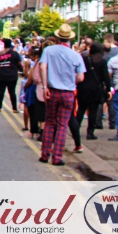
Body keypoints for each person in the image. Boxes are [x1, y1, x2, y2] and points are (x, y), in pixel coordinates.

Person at [38, 24, 85, 166]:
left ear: (58, 37)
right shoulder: (76, 55)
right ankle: (57, 157)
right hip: (68, 93)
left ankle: (45, 154)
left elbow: (42, 67)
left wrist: (45, 85)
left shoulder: (48, 51)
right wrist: (71, 81)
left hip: (52, 90)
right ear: (70, 38)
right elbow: (81, 78)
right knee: (62, 125)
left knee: (50, 123)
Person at [76, 43, 109, 141]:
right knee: (93, 111)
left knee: (81, 109)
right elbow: (105, 77)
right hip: (95, 89)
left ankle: (75, 129)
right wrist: (108, 89)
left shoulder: (84, 60)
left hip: (83, 88)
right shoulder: (102, 62)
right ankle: (90, 132)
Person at [0, 38, 21, 112]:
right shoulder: (14, 54)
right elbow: (19, 64)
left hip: (2, 75)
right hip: (12, 75)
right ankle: (14, 108)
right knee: (12, 92)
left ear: (3, 45)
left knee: (1, 91)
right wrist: (21, 71)